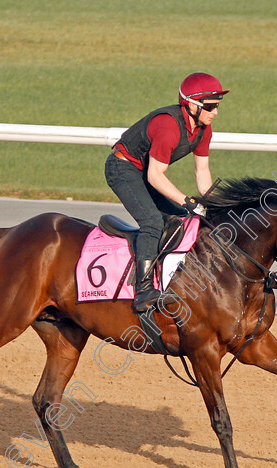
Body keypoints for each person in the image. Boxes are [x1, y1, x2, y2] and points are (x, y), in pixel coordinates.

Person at [105, 72, 228, 312]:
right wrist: (188, 201)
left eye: (218, 106)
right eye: (211, 106)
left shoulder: (204, 128)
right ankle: (143, 291)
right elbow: (154, 176)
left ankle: (169, 277)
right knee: (152, 221)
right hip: (122, 168)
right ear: (192, 104)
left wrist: (215, 205)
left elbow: (202, 173)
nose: (216, 112)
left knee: (182, 219)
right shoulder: (168, 125)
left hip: (144, 171)